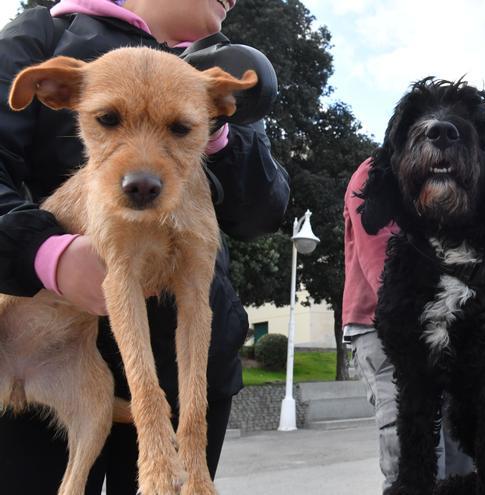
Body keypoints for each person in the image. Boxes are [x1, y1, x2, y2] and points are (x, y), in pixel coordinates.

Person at [0, 1, 290, 493]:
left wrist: (214, 131)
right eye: (108, 119)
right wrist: (44, 253)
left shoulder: (221, 69)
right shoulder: (46, 34)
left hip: (192, 370)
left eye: (178, 127)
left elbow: (262, 212)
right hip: (29, 335)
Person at [343, 158, 472, 493]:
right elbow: (380, 265)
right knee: (413, 446)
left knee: (461, 445)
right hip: (381, 326)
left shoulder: (444, 177)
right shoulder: (374, 174)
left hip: (445, 322)